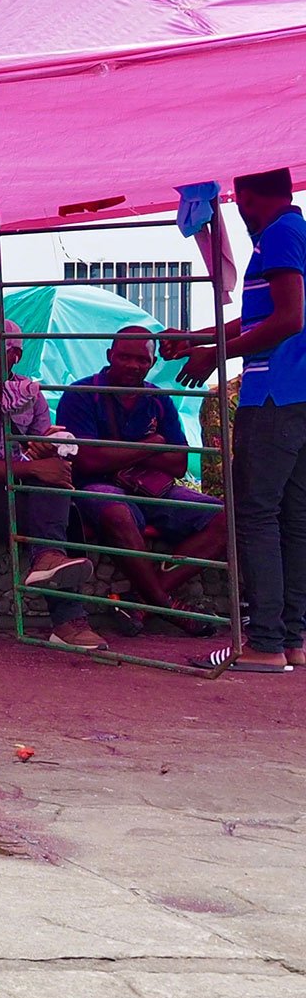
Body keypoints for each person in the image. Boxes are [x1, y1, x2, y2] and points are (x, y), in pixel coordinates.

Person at [169, 168, 306, 670]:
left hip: (275, 396)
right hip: (296, 396)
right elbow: (264, 316)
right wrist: (202, 336)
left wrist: (215, 354)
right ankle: (293, 639)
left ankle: (265, 644)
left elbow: (290, 318)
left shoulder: (280, 235)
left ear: (246, 196)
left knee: (255, 516)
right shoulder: (297, 232)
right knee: (292, 518)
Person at [0, 317, 103, 652]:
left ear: (14, 356)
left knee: (62, 497)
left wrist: (48, 450)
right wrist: (38, 467)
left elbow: (39, 453)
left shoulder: (30, 395)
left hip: (10, 484)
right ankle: (67, 614)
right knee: (50, 495)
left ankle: (52, 566)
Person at [54, 326, 227, 632]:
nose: (133, 365)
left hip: (155, 486)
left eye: (141, 360)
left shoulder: (158, 399)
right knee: (115, 511)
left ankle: (142, 601)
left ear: (150, 362)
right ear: (109, 356)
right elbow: (89, 461)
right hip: (96, 486)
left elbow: (179, 463)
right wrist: (151, 444)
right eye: (125, 357)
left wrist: (117, 453)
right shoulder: (80, 395)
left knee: (226, 518)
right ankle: (166, 605)